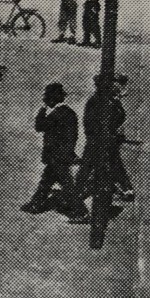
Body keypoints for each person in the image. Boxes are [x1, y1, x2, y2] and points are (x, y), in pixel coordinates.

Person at [22, 83, 88, 218]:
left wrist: (42, 109)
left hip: (58, 156)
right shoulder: (67, 112)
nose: (45, 99)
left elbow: (39, 126)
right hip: (58, 155)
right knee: (46, 181)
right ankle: (36, 203)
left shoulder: (58, 114)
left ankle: (81, 212)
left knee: (68, 186)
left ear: (53, 98)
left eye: (47, 97)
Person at [78, 75, 134, 202]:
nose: (120, 88)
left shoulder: (108, 100)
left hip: (104, 139)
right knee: (95, 165)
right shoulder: (101, 101)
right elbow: (98, 122)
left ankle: (81, 192)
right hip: (99, 139)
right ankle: (79, 194)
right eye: (117, 85)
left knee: (108, 163)